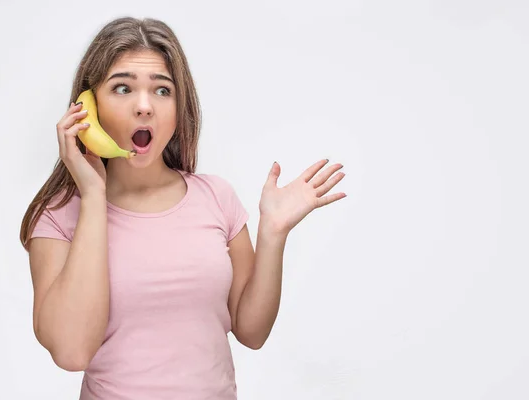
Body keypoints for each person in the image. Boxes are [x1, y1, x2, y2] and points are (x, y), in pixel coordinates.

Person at [19, 16, 346, 400]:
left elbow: (251, 332)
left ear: (179, 106)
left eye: (162, 90)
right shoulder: (58, 217)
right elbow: (72, 352)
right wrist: (92, 195)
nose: (144, 106)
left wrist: (273, 233)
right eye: (122, 88)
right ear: (86, 108)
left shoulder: (216, 197)